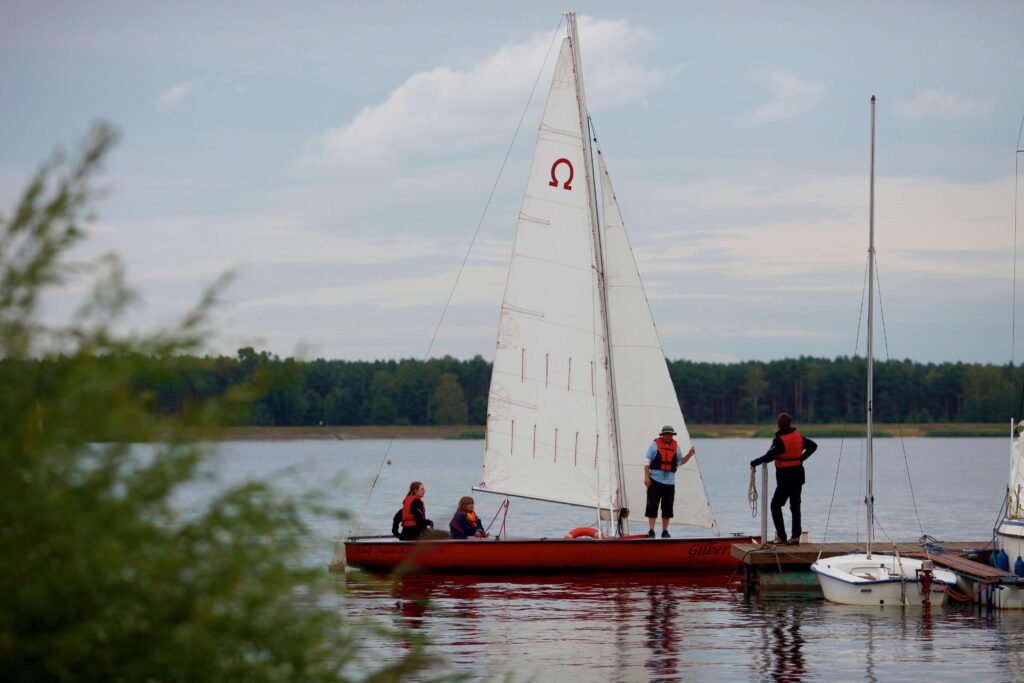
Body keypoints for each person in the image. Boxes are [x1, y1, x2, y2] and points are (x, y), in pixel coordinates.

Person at [749, 413, 818, 545]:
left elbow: (769, 456)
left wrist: (754, 462)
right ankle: (795, 537)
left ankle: (781, 536)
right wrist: (801, 459)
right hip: (798, 475)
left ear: (779, 424)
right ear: (790, 423)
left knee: (775, 505)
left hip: (786, 478)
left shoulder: (780, 440)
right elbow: (813, 446)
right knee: (795, 506)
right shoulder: (798, 436)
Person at [644, 425, 695, 538]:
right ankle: (651, 530)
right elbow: (647, 462)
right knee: (652, 506)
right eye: (666, 433)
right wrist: (646, 477)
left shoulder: (676, 446)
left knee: (667, 507)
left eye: (670, 434)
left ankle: (665, 531)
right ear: (662, 434)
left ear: (672, 435)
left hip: (669, 483)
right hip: (654, 481)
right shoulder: (654, 445)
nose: (668, 435)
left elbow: (680, 462)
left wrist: (690, 454)